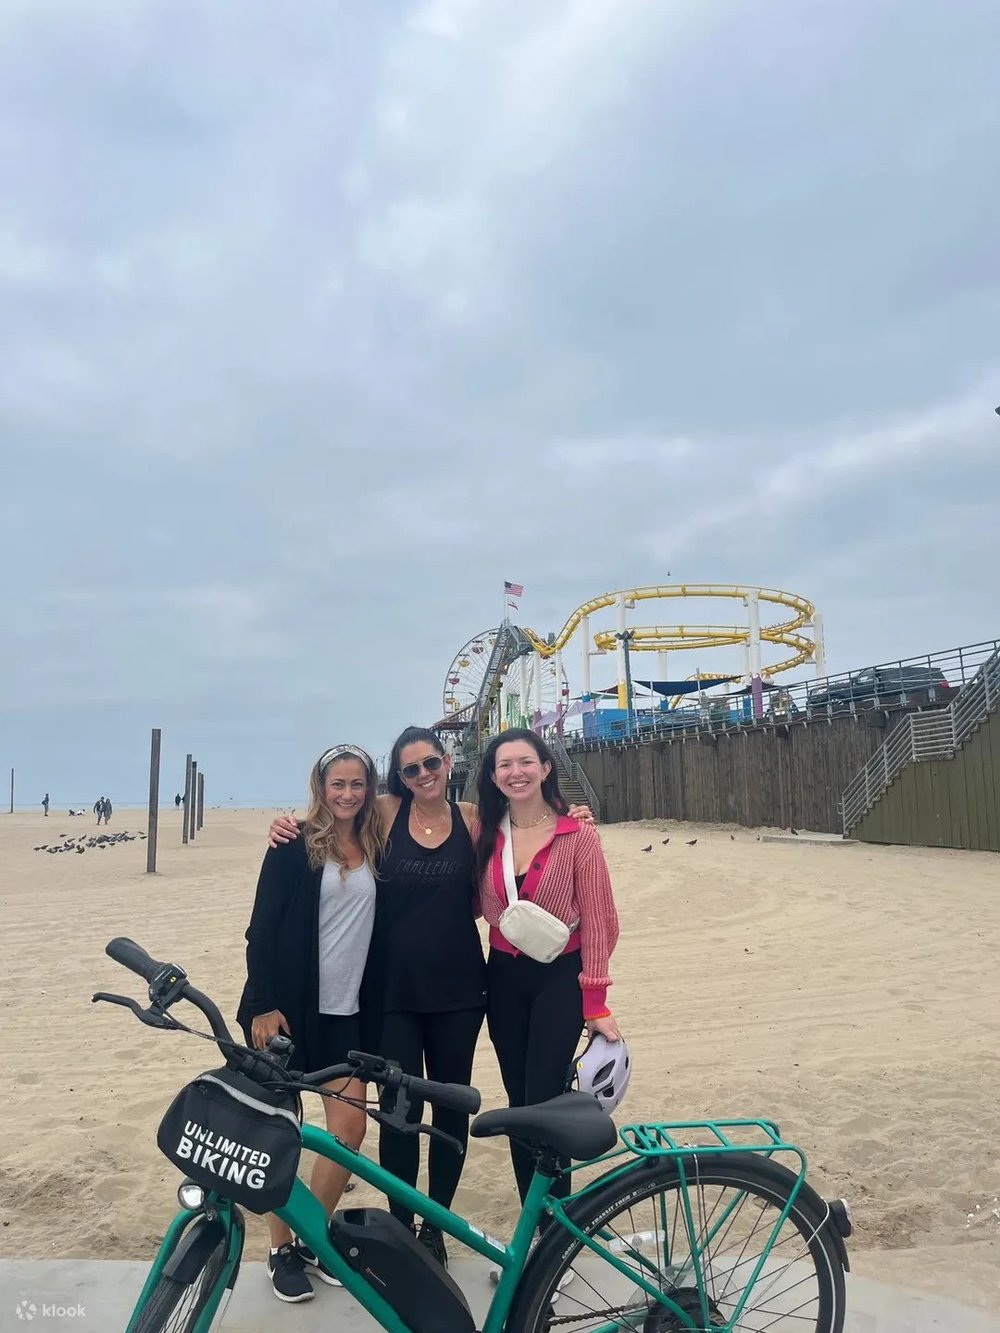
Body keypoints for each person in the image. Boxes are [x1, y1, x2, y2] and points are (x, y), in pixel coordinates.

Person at [269, 726, 595, 1270]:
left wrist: (572, 815)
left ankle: (434, 1226)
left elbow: (530, 818)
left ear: (447, 762)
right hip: (391, 992)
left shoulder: (473, 819)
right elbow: (335, 814)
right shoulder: (385, 812)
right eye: (410, 769)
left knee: (450, 1111)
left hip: (460, 991)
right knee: (398, 1111)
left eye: (430, 764)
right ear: (398, 777)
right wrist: (289, 826)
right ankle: (401, 1223)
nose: (422, 775)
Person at [238, 743, 385, 1305]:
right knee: (285, 1136)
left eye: (357, 784)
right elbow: (261, 930)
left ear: (369, 789)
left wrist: (565, 812)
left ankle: (312, 1236)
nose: (347, 794)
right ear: (321, 787)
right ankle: (281, 1249)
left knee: (349, 1132)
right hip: (290, 1013)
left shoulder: (374, 842)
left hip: (347, 1013)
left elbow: (448, 811)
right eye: (337, 784)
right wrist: (262, 1004)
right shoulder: (292, 845)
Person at [475, 728, 620, 1226]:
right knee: (518, 1101)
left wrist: (595, 1001)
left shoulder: (577, 834)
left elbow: (601, 918)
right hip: (503, 977)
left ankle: (558, 1222)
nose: (515, 772)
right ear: (493, 776)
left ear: (544, 768)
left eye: (525, 762)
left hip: (559, 977)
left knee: (547, 1099)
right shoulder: (486, 834)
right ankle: (534, 1219)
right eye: (504, 765)